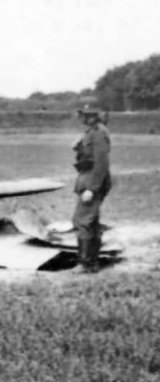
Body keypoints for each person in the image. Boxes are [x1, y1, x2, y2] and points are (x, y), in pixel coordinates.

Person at [71, 104, 112, 273]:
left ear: (89, 115)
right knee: (90, 221)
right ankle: (92, 263)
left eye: (81, 113)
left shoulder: (98, 132)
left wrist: (92, 189)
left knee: (81, 220)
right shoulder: (92, 131)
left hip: (93, 181)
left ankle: (85, 264)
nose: (79, 117)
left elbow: (102, 163)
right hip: (88, 179)